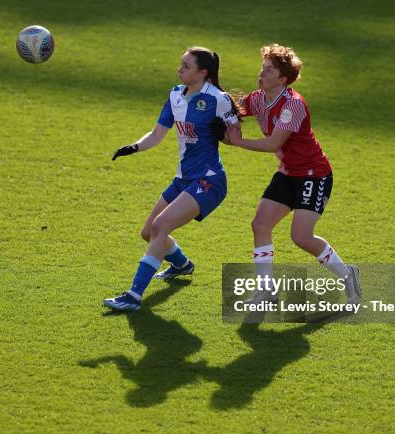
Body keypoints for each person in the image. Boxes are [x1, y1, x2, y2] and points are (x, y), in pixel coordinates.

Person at [224, 43, 361, 304]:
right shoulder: (258, 98)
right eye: (262, 68)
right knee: (260, 224)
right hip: (288, 173)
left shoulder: (293, 105)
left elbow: (273, 144)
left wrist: (237, 141)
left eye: (269, 70)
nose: (261, 74)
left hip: (314, 175)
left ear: (283, 78)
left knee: (301, 237)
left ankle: (347, 275)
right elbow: (233, 110)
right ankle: (267, 290)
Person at [104, 47, 239, 311]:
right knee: (148, 233)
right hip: (183, 179)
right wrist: (133, 147)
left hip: (209, 180)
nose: (180, 69)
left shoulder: (218, 99)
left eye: (186, 66)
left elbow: (235, 138)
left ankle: (133, 296)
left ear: (203, 72)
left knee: (161, 225)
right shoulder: (175, 94)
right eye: (181, 64)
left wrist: (222, 135)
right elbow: (156, 135)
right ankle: (181, 265)